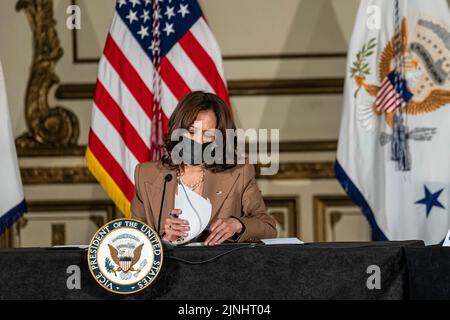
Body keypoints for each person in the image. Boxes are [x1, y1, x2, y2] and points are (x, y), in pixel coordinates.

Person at [131, 91, 277, 245]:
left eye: (208, 135)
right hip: (169, 267)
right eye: (192, 132)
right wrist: (165, 240)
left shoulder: (239, 172)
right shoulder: (146, 174)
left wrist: (237, 224)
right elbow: (135, 240)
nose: (198, 141)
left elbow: (268, 227)